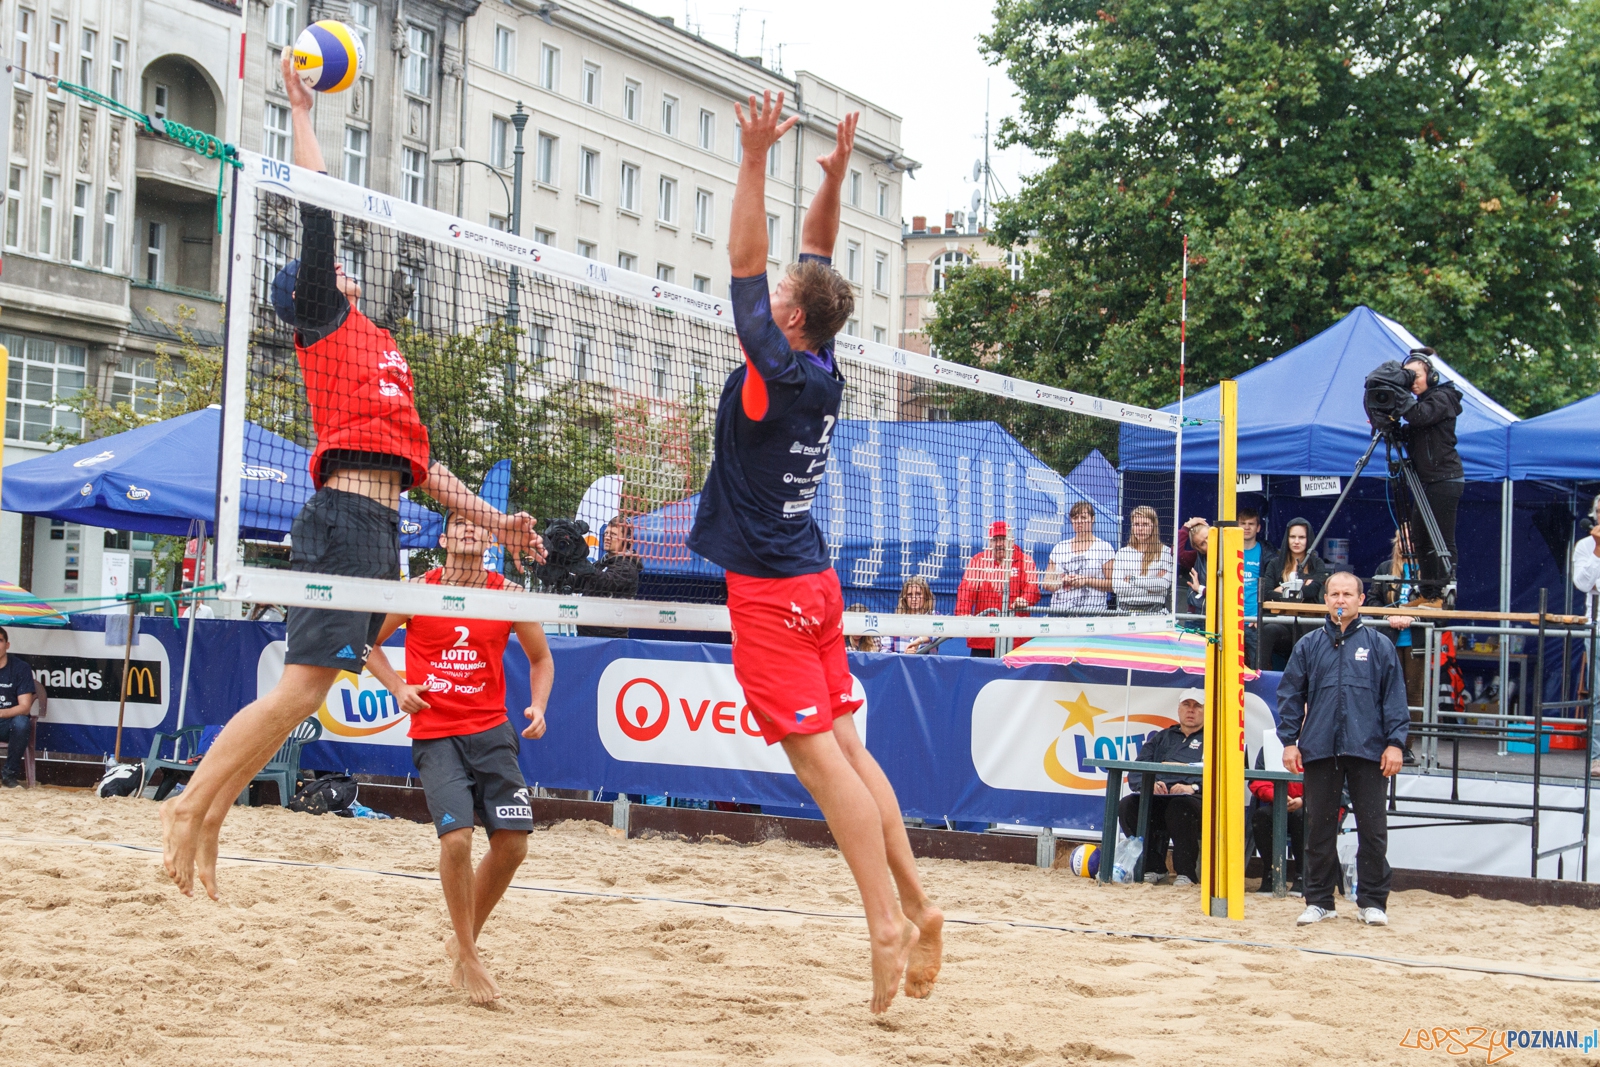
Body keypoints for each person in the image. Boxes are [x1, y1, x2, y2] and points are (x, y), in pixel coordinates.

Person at [160, 50, 544, 902]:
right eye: (329, 264)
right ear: (316, 290)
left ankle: (213, 815)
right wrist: (303, 110)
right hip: (337, 518)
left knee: (309, 695)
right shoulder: (326, 322)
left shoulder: (388, 349)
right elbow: (316, 209)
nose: (342, 262)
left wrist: (501, 519)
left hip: (383, 529)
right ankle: (189, 804)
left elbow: (425, 464)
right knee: (300, 685)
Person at [682, 90, 942, 1013]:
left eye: (785, 296)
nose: (780, 288)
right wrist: (829, 178)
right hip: (814, 580)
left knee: (819, 765)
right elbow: (811, 257)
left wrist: (752, 158)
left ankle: (881, 917)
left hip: (771, 590)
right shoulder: (824, 360)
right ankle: (918, 901)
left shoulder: (774, 371)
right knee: (849, 752)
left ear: (788, 322)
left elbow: (744, 258)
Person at [362, 513, 555, 1005]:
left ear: (489, 538)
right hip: (436, 733)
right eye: (460, 524)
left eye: (478, 524)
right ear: (444, 539)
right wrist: (399, 685)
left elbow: (541, 657)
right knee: (457, 842)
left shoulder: (506, 592)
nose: (470, 529)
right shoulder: (416, 591)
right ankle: (468, 954)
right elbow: (367, 644)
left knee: (513, 845)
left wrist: (539, 704)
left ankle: (462, 938)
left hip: (492, 732)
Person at [1278, 570, 1409, 927]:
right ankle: (1319, 900)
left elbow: (1395, 699)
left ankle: (1372, 902)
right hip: (1320, 749)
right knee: (1318, 828)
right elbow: (1290, 696)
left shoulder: (1379, 645)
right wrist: (1290, 741)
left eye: (1347, 594)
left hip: (1368, 750)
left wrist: (1395, 744)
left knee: (1373, 829)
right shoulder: (1308, 645)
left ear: (1360, 600)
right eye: (1334, 593)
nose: (1340, 600)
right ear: (1325, 599)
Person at [1117, 693, 1205, 886]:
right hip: (1159, 800)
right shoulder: (1162, 737)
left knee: (1180, 806)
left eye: (1197, 705)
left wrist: (1193, 787)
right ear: (1179, 709)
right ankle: (1154, 866)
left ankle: (1186, 873)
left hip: (1197, 802)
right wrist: (1151, 784)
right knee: (1127, 805)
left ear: (1206, 711)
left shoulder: (1215, 740)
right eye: (1186, 704)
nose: (1191, 710)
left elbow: (1224, 776)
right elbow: (1136, 771)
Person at [1399, 348, 1463, 602]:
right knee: (1421, 539)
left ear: (1432, 376)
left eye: (1416, 376)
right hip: (1425, 482)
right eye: (1408, 377)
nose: (1412, 382)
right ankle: (1428, 592)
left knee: (1442, 540)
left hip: (1445, 479)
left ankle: (1445, 590)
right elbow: (1414, 429)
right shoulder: (1419, 405)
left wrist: (1399, 399)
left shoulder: (1443, 398)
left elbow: (1420, 416)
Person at [955, 520, 1041, 657]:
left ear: (1012, 541)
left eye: (1003, 539)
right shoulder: (978, 561)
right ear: (990, 543)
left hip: (1016, 638)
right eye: (995, 540)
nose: (999, 543)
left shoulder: (1025, 560)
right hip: (984, 638)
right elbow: (966, 592)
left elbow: (1032, 588)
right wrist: (963, 616)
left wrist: (1025, 600)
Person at [1258, 517, 1328, 670]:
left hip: (1308, 622)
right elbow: (1266, 593)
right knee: (1268, 630)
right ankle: (1261, 674)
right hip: (1283, 621)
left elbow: (1312, 591)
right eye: (1292, 537)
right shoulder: (1275, 563)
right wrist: (1300, 589)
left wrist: (1282, 589)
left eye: (1301, 537)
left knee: (1305, 633)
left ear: (1308, 539)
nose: (1296, 541)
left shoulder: (1317, 564)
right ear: (1286, 539)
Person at [1374, 524, 1428, 717]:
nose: (1408, 544)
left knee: (1413, 694)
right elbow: (1373, 600)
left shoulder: (1429, 571)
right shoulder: (1386, 568)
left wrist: (1413, 616)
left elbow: (1439, 604)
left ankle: (1407, 743)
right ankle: (1387, 741)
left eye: (1412, 540)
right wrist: (1390, 616)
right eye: (1403, 539)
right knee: (1387, 691)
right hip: (1389, 638)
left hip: (1416, 641)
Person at [1041, 501, 1115, 615]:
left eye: (1083, 517)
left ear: (1092, 519)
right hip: (1059, 614)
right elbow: (1046, 584)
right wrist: (1062, 581)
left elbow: (1113, 585)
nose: (1079, 521)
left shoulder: (1104, 548)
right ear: (1071, 520)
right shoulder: (1059, 548)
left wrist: (1086, 581)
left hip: (1091, 615)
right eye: (1075, 517)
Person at [1249, 748, 1306, 894]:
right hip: (1279, 802)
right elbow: (1258, 780)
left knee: (1301, 817)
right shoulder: (1271, 743)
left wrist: (1304, 800)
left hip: (1310, 805)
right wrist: (1277, 796)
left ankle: (1303, 875)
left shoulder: (1318, 742)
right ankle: (1271, 872)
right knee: (1262, 816)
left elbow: (1326, 781)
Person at [576, 518, 642, 638]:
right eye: (606, 533)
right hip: (585, 636)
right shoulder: (600, 564)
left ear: (625, 539)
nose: (607, 537)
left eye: (613, 534)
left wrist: (581, 563)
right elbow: (577, 584)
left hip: (610, 640)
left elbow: (605, 581)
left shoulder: (627, 567)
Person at [1572, 495, 1600, 775]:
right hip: (1597, 628)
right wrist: (1598, 551)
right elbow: (1582, 584)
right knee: (1599, 694)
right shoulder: (1585, 546)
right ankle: (1598, 757)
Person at [1110, 505, 1172, 614]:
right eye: (1136, 524)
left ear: (1153, 526)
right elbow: (1117, 587)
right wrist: (1149, 589)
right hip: (1125, 612)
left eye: (1145, 524)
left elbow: (1163, 584)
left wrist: (1133, 580)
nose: (1140, 529)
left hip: (1155, 612)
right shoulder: (1122, 553)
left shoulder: (1165, 552)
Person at [0, 627, 37, 788]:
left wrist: (1, 713)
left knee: (22, 723)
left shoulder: (20, 668)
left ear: (7, 645)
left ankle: (9, 775)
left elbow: (25, 707)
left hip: (9, 723)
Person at [882, 576, 934, 653]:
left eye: (918, 594)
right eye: (909, 594)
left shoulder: (933, 616)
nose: (914, 598)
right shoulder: (894, 622)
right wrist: (904, 656)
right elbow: (885, 652)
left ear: (926, 596)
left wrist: (919, 641)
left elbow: (944, 630)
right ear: (905, 598)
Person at [1177, 517, 1210, 615]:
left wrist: (1200, 588)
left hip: (1219, 617)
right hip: (1197, 616)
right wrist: (1186, 526)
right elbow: (1177, 554)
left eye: (1209, 537)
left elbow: (1224, 593)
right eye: (1203, 543)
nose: (1209, 543)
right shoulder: (1198, 556)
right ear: (1199, 548)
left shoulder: (1230, 555)